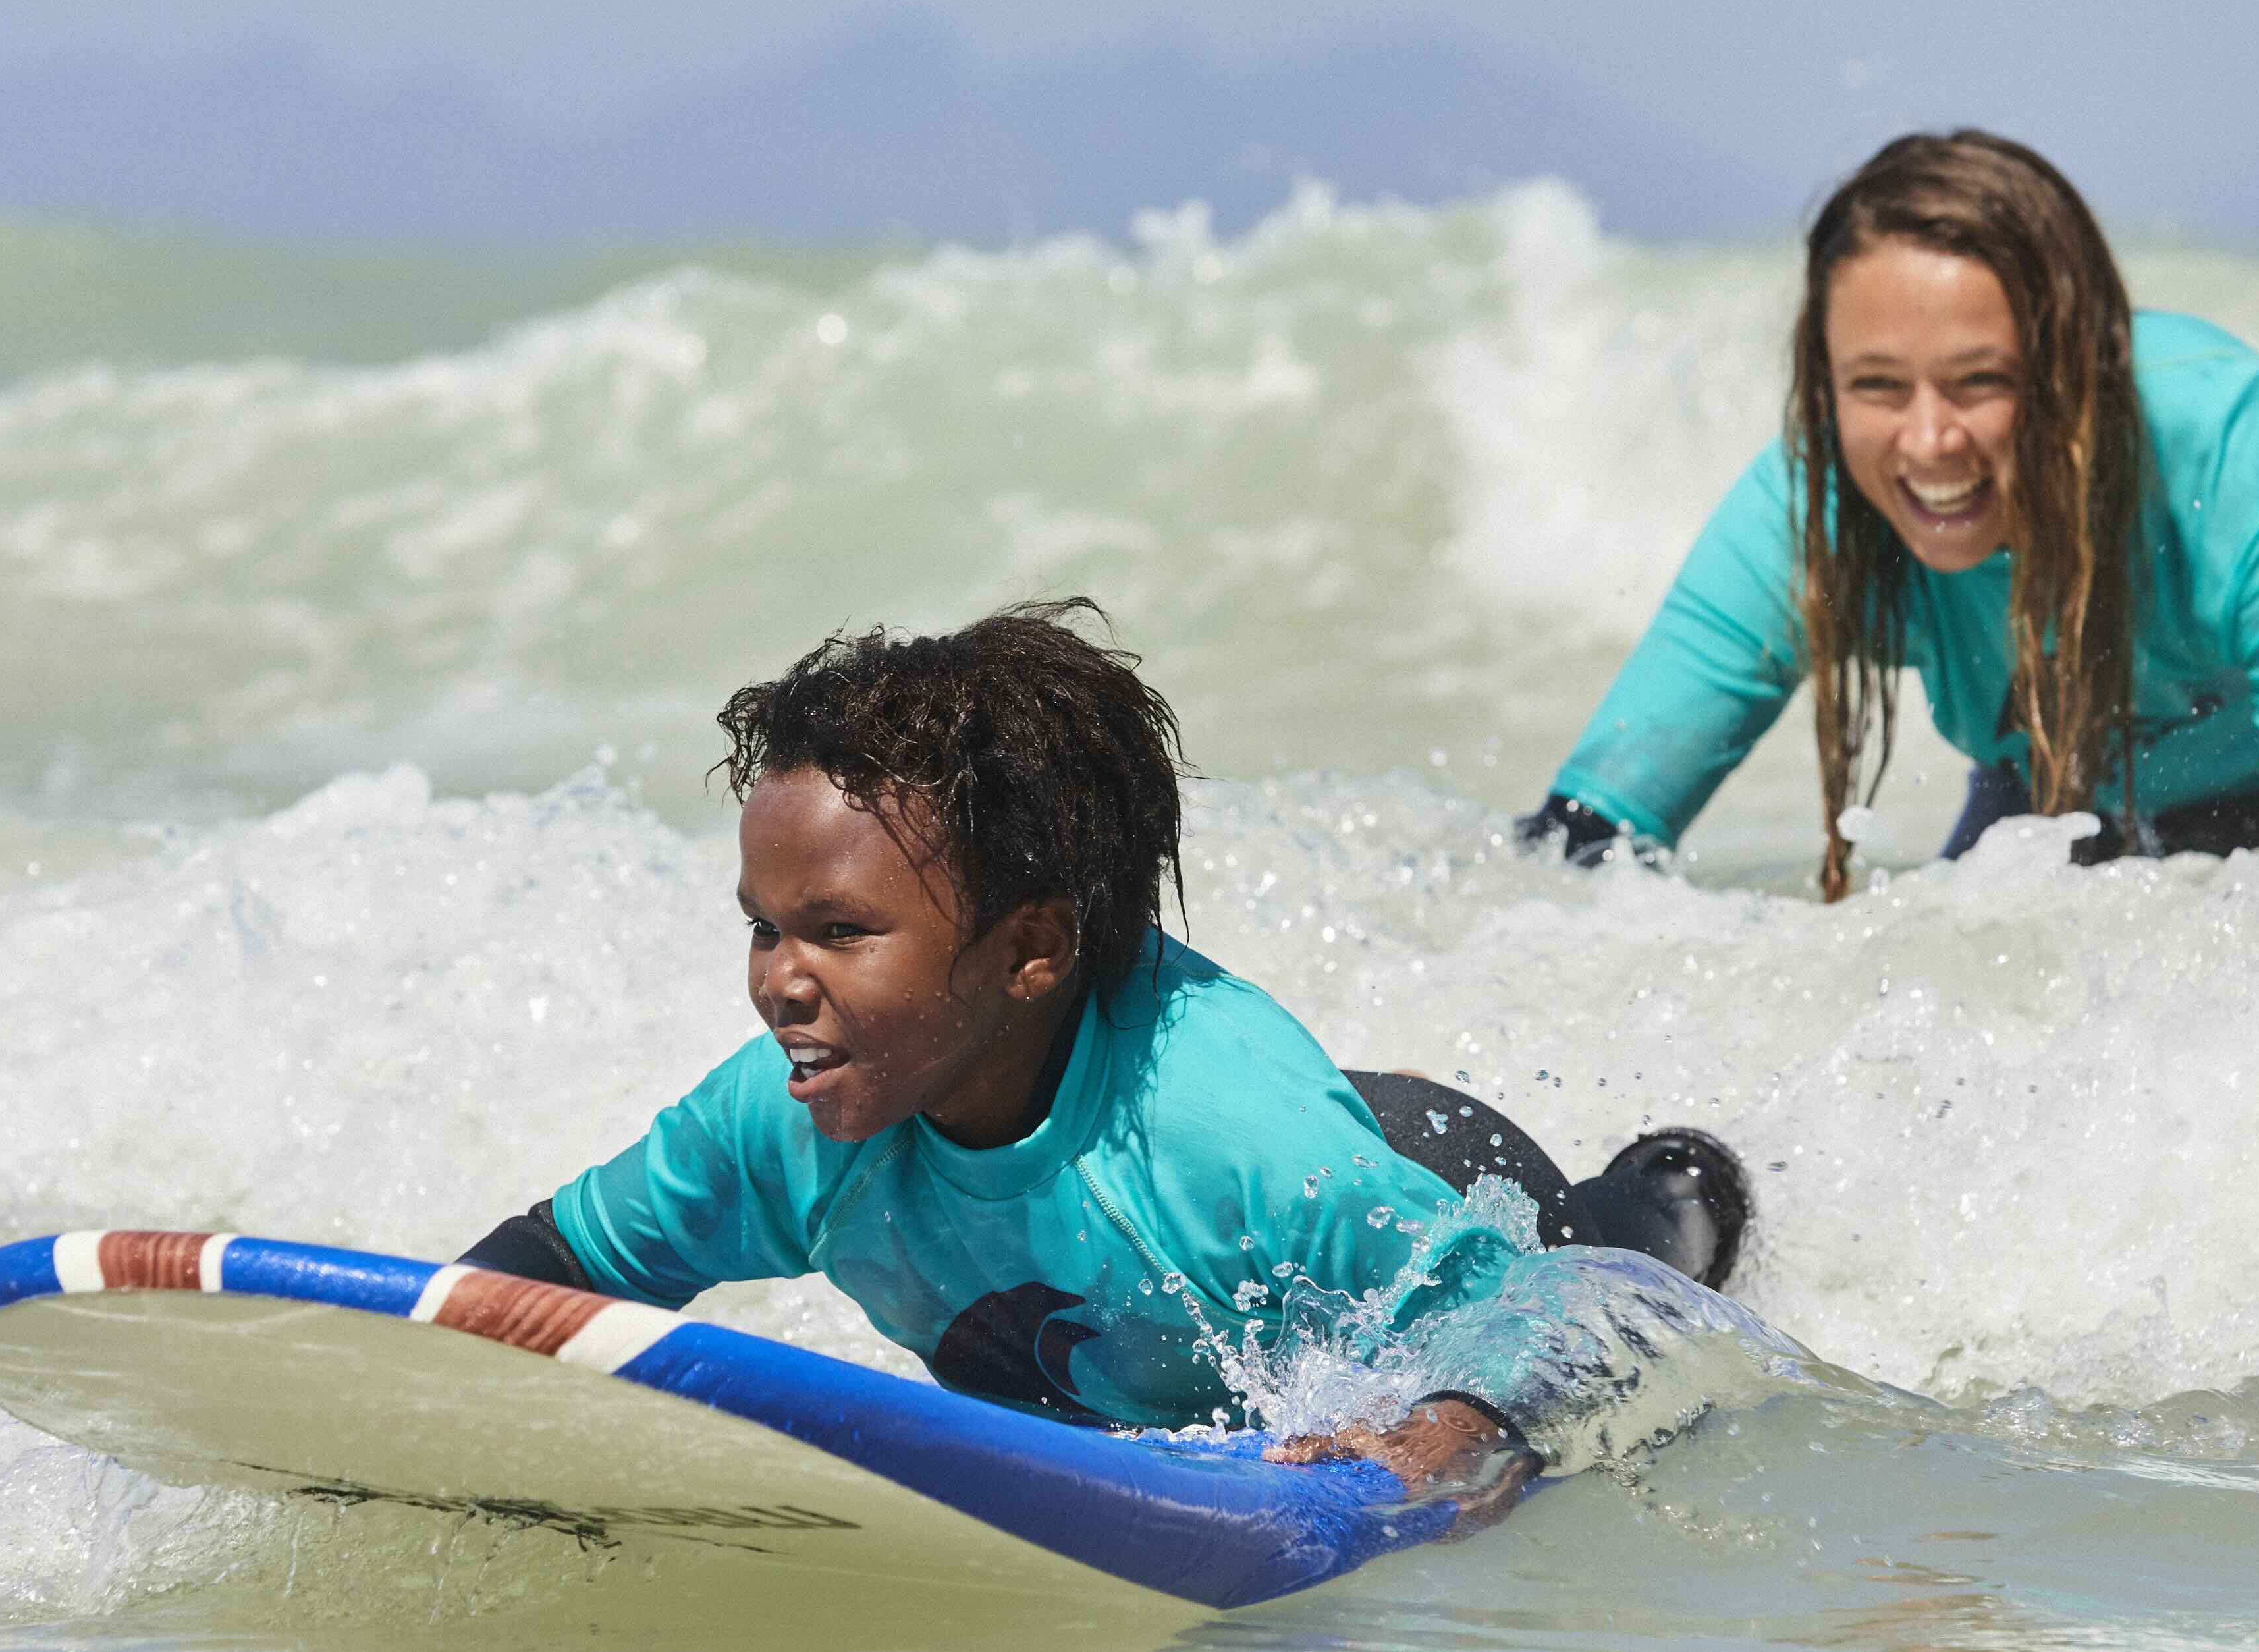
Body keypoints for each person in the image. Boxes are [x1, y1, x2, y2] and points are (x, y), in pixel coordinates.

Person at [450, 603, 1755, 1504]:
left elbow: (1528, 1316)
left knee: (1619, 1262)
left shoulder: (1237, 1142)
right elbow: (564, 1259)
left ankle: (1674, 1190)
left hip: (1434, 1175)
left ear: (1029, 948)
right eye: (765, 928)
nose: (781, 982)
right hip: (1269, 1196)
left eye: (841, 933)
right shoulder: (793, 1114)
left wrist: (1451, 1434)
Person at [1520, 129, 2259, 902]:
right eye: (1877, 385)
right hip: (2065, 768)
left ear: (2079, 371)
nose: (1928, 442)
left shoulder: (2238, 445)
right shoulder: (1807, 511)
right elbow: (1584, 839)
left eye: (1981, 382)